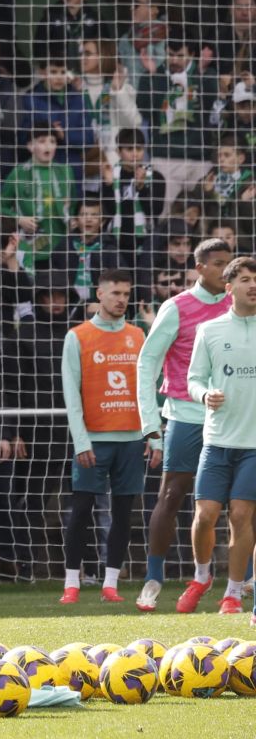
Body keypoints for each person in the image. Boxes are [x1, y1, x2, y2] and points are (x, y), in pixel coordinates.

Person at [134, 238, 233, 611]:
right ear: (198, 268)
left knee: (240, 502)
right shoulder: (175, 308)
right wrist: (150, 423)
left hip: (232, 418)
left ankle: (239, 580)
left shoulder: (239, 306)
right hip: (185, 415)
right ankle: (154, 578)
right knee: (172, 496)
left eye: (229, 263)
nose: (226, 271)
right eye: (218, 264)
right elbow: (147, 363)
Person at [58, 270, 155, 606]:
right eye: (115, 293)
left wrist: (152, 435)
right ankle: (71, 583)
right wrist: (80, 440)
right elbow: (71, 394)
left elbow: (147, 391)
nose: (121, 300)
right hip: (94, 439)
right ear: (99, 294)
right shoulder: (78, 336)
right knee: (81, 509)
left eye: (126, 294)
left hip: (130, 438)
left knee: (124, 511)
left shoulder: (137, 335)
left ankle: (110, 583)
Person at [178, 254, 256, 616]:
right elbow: (193, 379)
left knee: (241, 516)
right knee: (205, 515)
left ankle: (234, 593)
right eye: (244, 279)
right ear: (229, 289)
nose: (253, 285)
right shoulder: (210, 331)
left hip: (253, 446)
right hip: (217, 441)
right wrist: (203, 394)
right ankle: (202, 575)